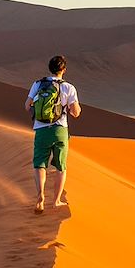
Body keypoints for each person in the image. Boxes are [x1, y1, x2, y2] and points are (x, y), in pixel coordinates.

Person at [24, 55, 81, 214]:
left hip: (41, 130)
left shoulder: (38, 84)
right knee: (61, 167)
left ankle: (40, 196)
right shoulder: (68, 87)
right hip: (60, 130)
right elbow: (75, 112)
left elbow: (27, 106)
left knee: (40, 164)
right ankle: (56, 201)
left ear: (50, 68)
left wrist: (40, 107)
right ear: (64, 70)